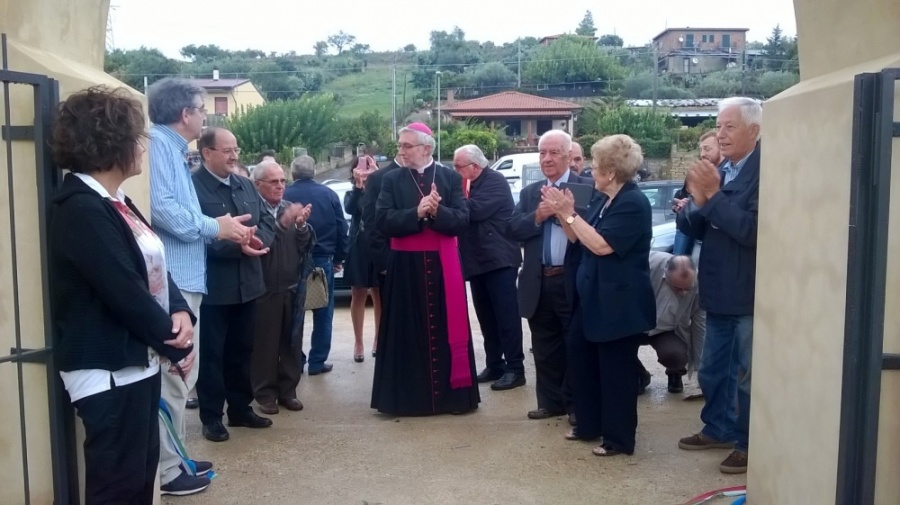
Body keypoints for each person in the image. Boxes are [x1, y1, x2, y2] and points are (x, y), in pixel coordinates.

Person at [48, 86, 199, 503]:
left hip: (137, 361)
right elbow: (123, 289)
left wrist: (182, 311)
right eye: (137, 138)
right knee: (116, 485)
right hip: (107, 367)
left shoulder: (116, 201)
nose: (142, 148)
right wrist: (174, 341)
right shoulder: (80, 207)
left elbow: (153, 265)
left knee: (137, 479)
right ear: (113, 143)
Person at [148, 78, 251, 494]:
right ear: (184, 114)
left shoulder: (171, 148)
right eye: (201, 108)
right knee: (174, 377)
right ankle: (170, 473)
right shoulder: (159, 146)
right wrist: (217, 227)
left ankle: (175, 459)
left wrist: (224, 230)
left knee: (178, 376)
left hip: (185, 279)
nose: (205, 115)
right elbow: (163, 210)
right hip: (174, 282)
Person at [543, 134, 655, 457]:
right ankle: (588, 425)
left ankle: (618, 439)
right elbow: (578, 238)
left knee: (616, 373)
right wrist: (562, 213)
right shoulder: (602, 199)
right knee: (579, 358)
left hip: (619, 303)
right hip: (592, 298)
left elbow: (602, 246)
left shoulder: (632, 203)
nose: (591, 171)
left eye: (595, 166)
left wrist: (569, 214)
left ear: (611, 171)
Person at [676, 97, 761, 475]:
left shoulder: (763, 171)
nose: (721, 134)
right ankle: (718, 428)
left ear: (754, 132)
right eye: (719, 125)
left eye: (730, 126)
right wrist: (695, 202)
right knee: (712, 370)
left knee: (746, 375)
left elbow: (750, 231)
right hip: (716, 288)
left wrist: (709, 197)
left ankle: (746, 443)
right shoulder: (722, 169)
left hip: (746, 292)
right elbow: (697, 227)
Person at [371, 123, 480, 416]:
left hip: (444, 268)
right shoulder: (391, 180)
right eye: (400, 146)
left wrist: (436, 212)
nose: (401, 151)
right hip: (405, 269)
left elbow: (462, 219)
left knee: (446, 329)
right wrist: (417, 213)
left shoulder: (449, 177)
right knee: (405, 335)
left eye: (407, 146)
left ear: (426, 148)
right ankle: (407, 400)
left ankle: (454, 398)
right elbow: (382, 221)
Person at [193, 127, 277, 442]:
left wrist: (256, 240)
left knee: (243, 351)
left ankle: (240, 409)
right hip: (216, 288)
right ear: (207, 153)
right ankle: (212, 416)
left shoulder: (244, 185)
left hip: (250, 285)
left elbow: (267, 221)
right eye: (226, 150)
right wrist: (235, 245)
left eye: (236, 150)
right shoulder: (193, 188)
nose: (234, 156)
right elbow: (195, 236)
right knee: (213, 355)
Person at [507, 130, 593, 422]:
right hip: (539, 279)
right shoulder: (531, 193)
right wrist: (538, 216)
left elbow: (589, 235)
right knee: (544, 346)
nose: (547, 158)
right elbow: (512, 229)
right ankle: (550, 401)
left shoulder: (586, 187)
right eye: (542, 152)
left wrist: (565, 213)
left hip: (571, 279)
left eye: (554, 152)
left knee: (575, 345)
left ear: (569, 156)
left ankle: (576, 405)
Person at [453, 144, 526, 391]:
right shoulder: (469, 184)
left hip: (499, 260)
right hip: (477, 261)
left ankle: (516, 368)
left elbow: (473, 210)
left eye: (458, 166)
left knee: (506, 317)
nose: (455, 171)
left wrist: (450, 202)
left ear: (474, 167)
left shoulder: (495, 181)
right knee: (486, 318)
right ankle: (495, 363)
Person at [249, 161, 314, 415]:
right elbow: (258, 244)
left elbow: (305, 245)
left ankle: (288, 391)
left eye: (283, 181)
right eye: (273, 182)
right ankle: (265, 395)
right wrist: (282, 224)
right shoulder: (253, 211)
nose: (280, 186)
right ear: (258, 185)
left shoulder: (289, 208)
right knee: (264, 344)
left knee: (291, 342)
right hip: (263, 289)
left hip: (291, 286)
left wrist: (300, 227)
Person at [283, 155, 348, 374]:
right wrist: (339, 257)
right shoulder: (328, 194)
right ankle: (317, 361)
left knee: (293, 311)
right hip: (323, 259)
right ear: (313, 172)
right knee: (323, 311)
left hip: (290, 260)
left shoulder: (284, 194)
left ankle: (296, 360)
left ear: (292, 174)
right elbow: (342, 228)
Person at [636, 252, 706, 394]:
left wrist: (701, 369)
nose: (684, 293)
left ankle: (675, 372)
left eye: (688, 288)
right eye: (678, 288)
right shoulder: (648, 263)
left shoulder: (700, 284)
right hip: (637, 323)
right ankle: (639, 374)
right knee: (618, 349)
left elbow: (699, 326)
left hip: (668, 330)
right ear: (665, 274)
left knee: (675, 354)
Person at [344, 154, 382, 362]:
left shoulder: (382, 190)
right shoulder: (352, 193)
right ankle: (358, 342)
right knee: (358, 293)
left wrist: (376, 179)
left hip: (377, 245)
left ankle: (378, 339)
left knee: (379, 293)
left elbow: (380, 211)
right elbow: (352, 209)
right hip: (358, 247)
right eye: (361, 168)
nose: (365, 172)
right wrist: (359, 186)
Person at [672, 129, 722, 255]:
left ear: (721, 148)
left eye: (707, 149)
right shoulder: (702, 174)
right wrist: (688, 206)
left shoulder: (727, 176)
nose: (702, 154)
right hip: (700, 242)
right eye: (701, 150)